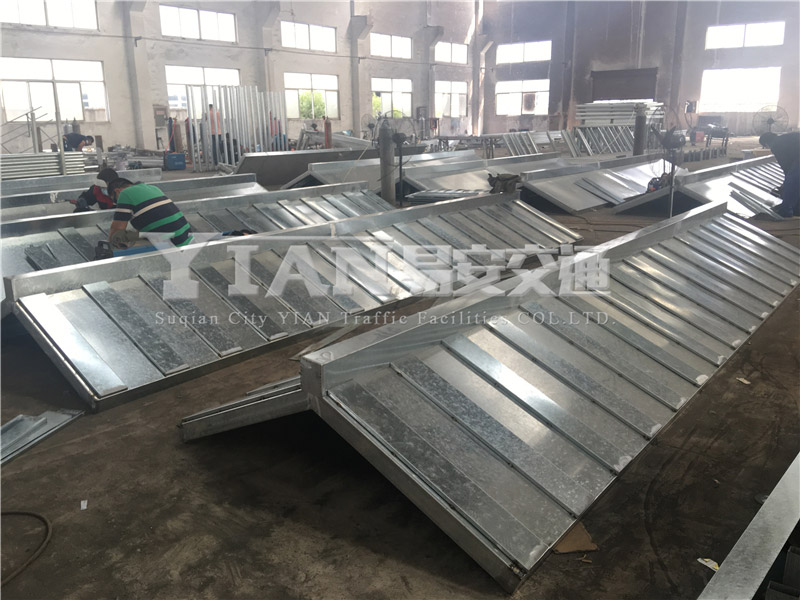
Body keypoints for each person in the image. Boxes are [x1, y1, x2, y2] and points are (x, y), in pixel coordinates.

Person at [106, 179, 193, 247]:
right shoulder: (153, 188)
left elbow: (117, 229)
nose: (118, 203)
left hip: (172, 244)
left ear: (117, 191)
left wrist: (110, 244)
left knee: (118, 236)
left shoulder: (124, 194)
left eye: (115, 201)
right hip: (187, 238)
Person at [759, 131, 799, 217]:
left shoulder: (776, 145)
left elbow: (786, 166)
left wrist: (786, 183)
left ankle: (785, 211)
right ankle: (796, 209)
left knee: (792, 182)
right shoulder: (785, 139)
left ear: (766, 143)